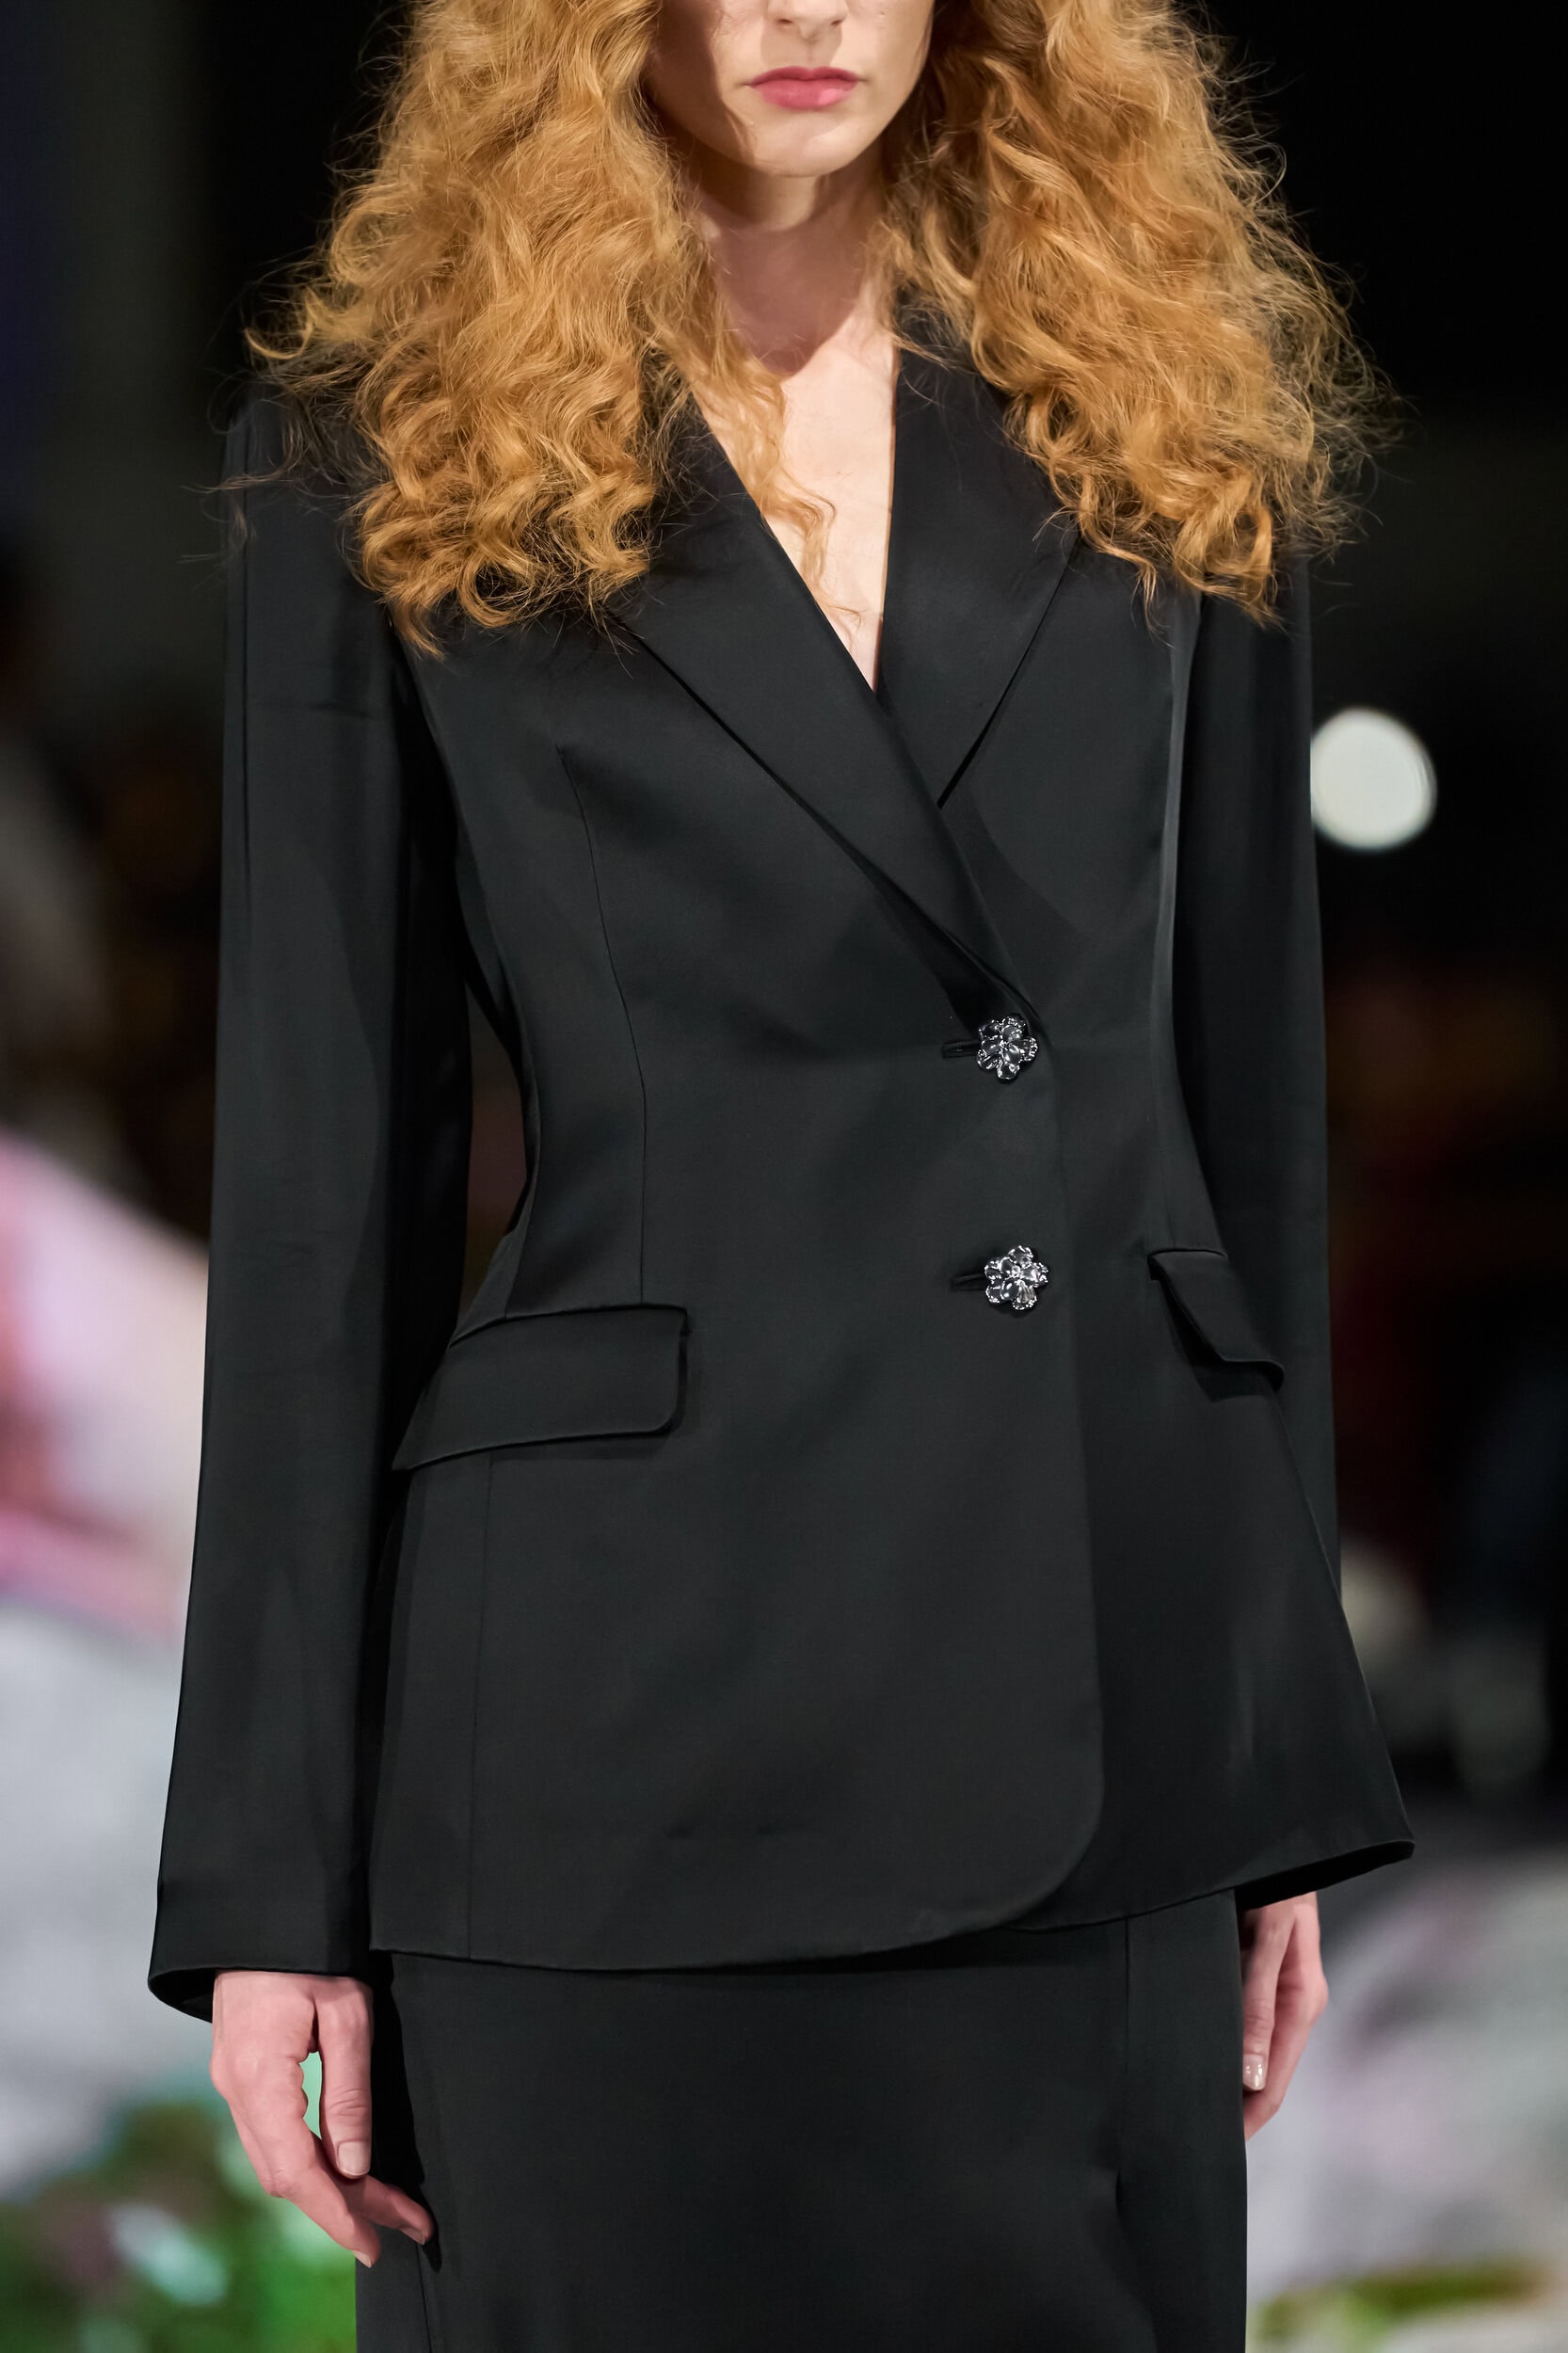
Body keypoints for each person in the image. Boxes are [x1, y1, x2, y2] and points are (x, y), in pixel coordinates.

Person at [150, 1, 1412, 2345]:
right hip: (602, 1749)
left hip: (1095, 1713)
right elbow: (323, 1187)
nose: (804, 9)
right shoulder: (381, 443)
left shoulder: (1163, 404)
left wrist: (1276, 1751)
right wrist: (266, 1880)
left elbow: (1236, 1121)